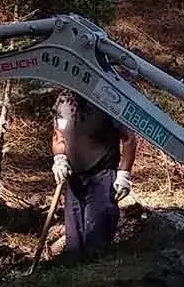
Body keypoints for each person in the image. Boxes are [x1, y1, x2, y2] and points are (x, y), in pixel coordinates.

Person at [50, 89, 138, 257]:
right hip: (73, 179)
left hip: (102, 178)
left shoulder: (107, 99)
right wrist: (60, 158)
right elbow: (58, 135)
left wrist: (124, 173)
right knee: (74, 244)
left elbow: (129, 138)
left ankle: (97, 280)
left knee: (96, 243)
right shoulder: (64, 101)